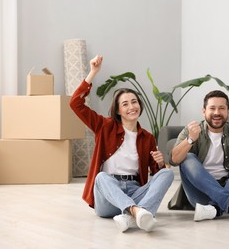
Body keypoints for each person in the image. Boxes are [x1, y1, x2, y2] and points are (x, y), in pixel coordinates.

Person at [70, 55, 174, 232]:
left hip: (135, 191)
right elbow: (75, 104)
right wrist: (93, 73)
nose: (131, 107)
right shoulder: (105, 126)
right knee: (101, 177)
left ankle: (130, 217)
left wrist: (159, 164)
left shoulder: (147, 137)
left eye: (134, 102)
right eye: (125, 104)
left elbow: (155, 175)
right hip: (107, 197)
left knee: (167, 174)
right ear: (118, 110)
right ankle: (135, 211)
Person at [170, 90, 229, 224]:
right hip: (200, 194)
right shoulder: (191, 130)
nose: (217, 112)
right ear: (204, 111)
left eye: (222, 108)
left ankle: (214, 209)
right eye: (212, 108)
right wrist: (190, 139)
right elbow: (174, 160)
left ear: (228, 111)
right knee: (187, 158)